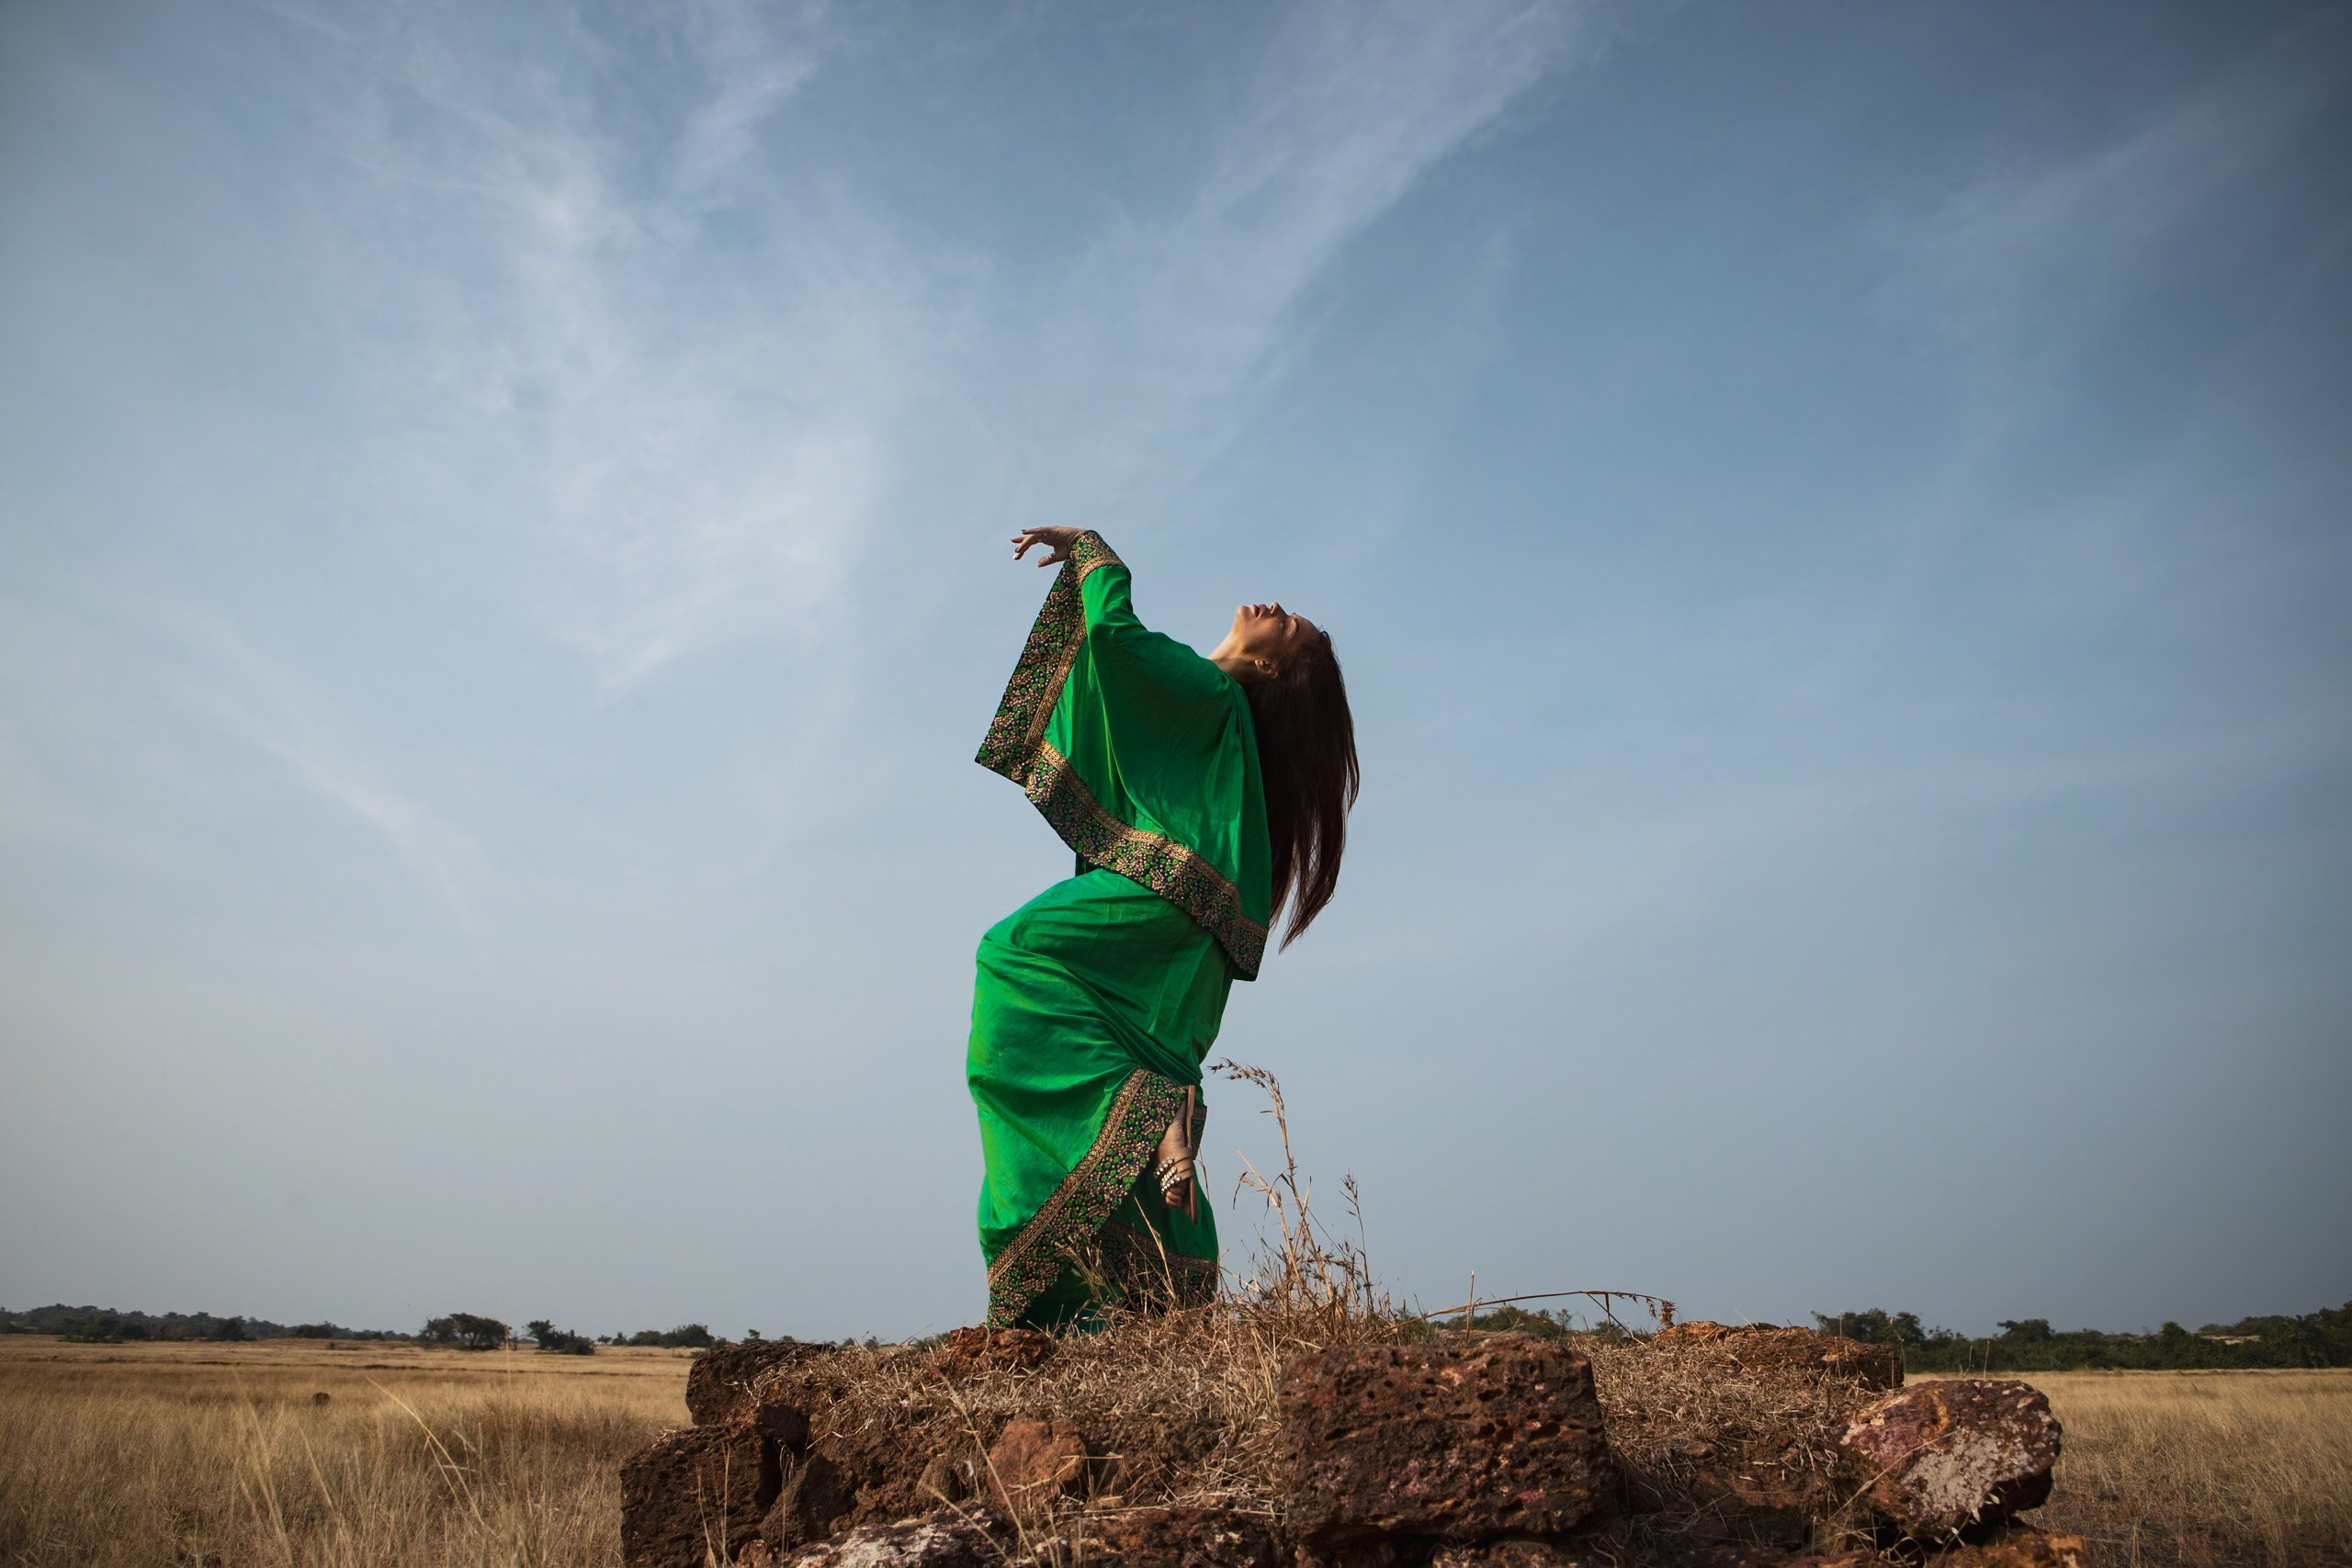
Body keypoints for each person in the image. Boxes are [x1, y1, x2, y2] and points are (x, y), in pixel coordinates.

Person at [967, 526, 1359, 1329]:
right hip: (1185, 940)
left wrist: (1096, 552)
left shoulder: (1209, 696)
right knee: (1070, 1013)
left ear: (1274, 666)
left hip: (1164, 906)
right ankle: (1141, 1296)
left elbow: (1113, 639)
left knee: (1012, 959)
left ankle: (1154, 1106)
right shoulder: (1223, 723)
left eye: (1291, 626)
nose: (1278, 608)